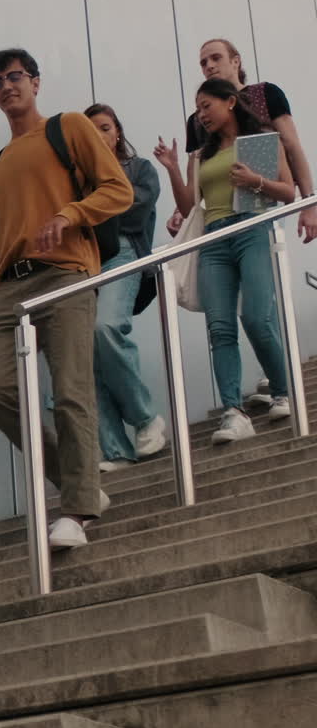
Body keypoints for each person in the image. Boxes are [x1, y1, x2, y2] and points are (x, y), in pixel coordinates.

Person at [0, 48, 133, 550]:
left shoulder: (69, 127)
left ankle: (76, 510)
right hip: (10, 286)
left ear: (35, 82)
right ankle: (83, 480)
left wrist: (70, 215)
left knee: (72, 390)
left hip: (65, 274)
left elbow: (117, 190)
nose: (6, 86)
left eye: (14, 77)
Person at [155, 79, 294, 446]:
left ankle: (284, 389)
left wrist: (255, 180)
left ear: (230, 102)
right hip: (213, 240)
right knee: (220, 328)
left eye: (206, 105)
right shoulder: (201, 154)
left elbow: (287, 191)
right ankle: (234, 411)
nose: (201, 114)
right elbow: (188, 209)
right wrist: (171, 167)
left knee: (256, 317)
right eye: (198, 108)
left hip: (251, 228)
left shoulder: (260, 140)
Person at [167, 37, 315, 243]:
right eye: (203, 62)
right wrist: (179, 211)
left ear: (236, 61)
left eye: (216, 58)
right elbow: (199, 174)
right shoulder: (198, 119)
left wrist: (309, 204)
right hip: (221, 217)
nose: (209, 65)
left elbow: (291, 145)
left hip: (270, 208)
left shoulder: (265, 93)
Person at [84, 104, 164, 470]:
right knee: (88, 358)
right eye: (91, 130)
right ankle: (116, 449)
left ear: (117, 132)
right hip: (84, 265)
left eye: (104, 127)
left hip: (124, 253)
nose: (98, 135)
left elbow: (132, 210)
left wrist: (87, 207)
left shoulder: (139, 169)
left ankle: (146, 419)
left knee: (106, 328)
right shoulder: (78, 181)